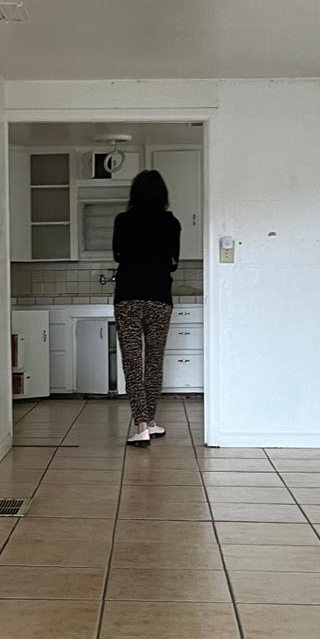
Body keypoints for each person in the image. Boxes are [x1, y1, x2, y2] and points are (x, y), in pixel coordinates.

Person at [112, 170, 182, 447]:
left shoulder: (123, 220)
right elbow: (174, 260)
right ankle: (149, 421)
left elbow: (117, 254)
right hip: (159, 298)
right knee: (154, 362)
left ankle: (142, 424)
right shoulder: (170, 222)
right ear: (162, 194)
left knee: (132, 362)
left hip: (128, 297)